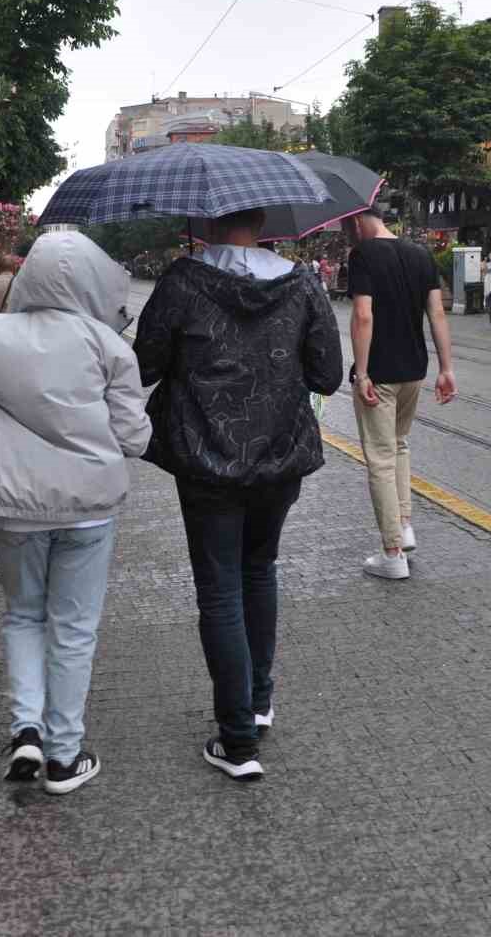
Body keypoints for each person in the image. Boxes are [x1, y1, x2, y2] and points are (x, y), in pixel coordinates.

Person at [0, 231, 150, 796]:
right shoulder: (109, 345)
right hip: (89, 509)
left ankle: (25, 729)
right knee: (74, 630)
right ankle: (64, 756)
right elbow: (135, 438)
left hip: (16, 510)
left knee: (23, 617)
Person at [134, 207, 343, 782]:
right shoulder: (302, 283)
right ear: (266, 220)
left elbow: (144, 365)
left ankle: (237, 739)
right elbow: (328, 375)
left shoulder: (183, 280)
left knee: (220, 589)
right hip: (280, 457)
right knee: (260, 569)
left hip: (204, 460)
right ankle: (258, 700)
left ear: (204, 222)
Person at [346, 210, 457, 581]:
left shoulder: (362, 255)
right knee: (400, 444)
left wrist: (361, 372)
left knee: (380, 458)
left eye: (349, 226)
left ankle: (392, 551)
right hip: (414, 369)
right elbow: (437, 314)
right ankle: (404, 524)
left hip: (379, 372)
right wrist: (446, 368)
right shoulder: (421, 254)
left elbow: (363, 315)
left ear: (361, 220)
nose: (349, 234)